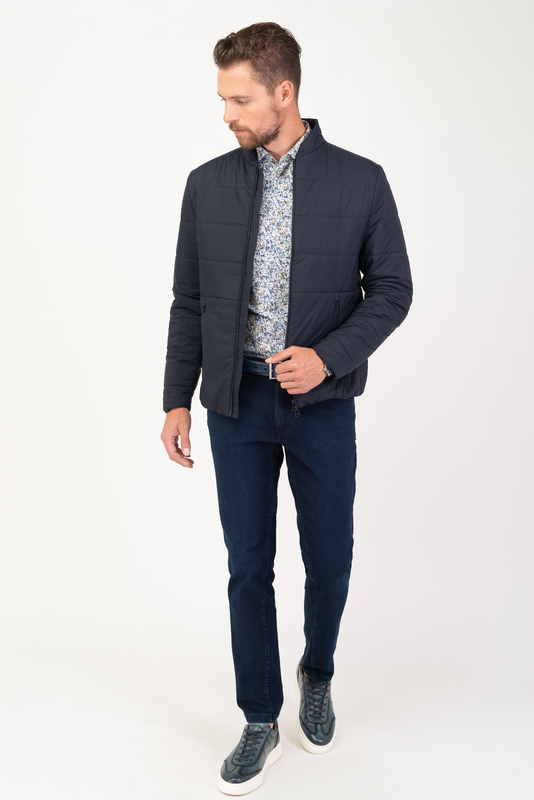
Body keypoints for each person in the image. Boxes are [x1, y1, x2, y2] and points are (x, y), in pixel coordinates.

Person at [161, 22, 412, 795]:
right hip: (236, 404)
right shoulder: (207, 184)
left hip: (321, 405)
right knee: (248, 566)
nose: (227, 114)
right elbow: (189, 300)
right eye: (222, 99)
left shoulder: (361, 181)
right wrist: (176, 399)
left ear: (284, 91)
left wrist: (327, 357)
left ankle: (319, 671)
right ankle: (260, 717)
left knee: (330, 556)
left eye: (239, 100)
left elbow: (393, 291)